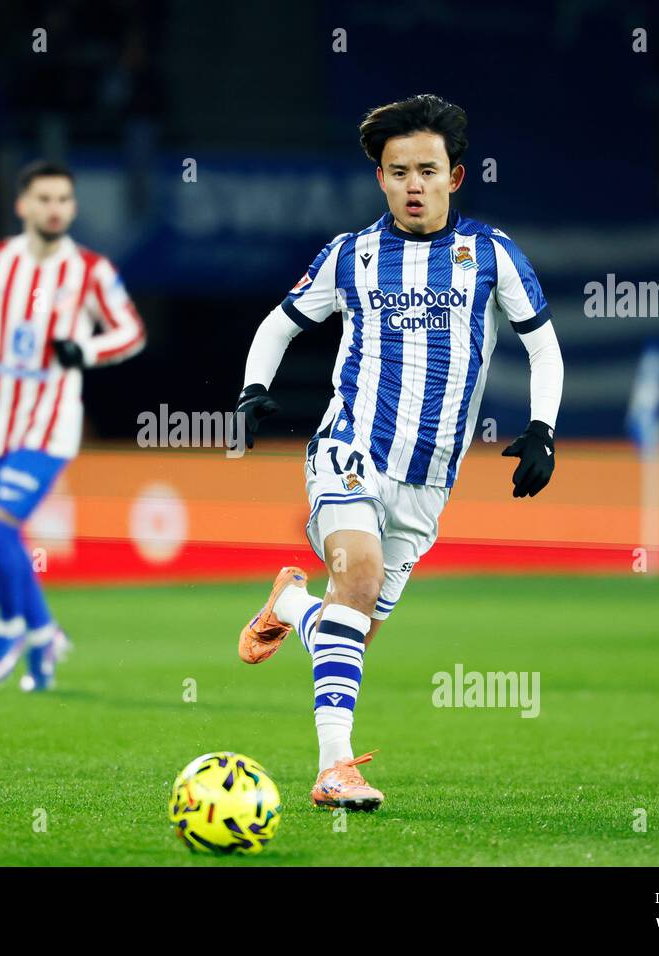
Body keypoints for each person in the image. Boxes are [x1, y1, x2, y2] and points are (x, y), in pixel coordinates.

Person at [234, 95, 564, 811]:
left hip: (428, 485)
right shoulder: (351, 254)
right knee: (357, 582)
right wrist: (253, 389)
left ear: (456, 176)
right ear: (380, 179)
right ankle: (333, 770)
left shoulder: (492, 254)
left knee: (349, 631)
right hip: (350, 451)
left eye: (427, 170)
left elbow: (543, 346)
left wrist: (542, 429)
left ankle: (292, 604)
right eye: (397, 171)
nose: (413, 184)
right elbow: (279, 323)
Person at [0, 161, 145, 691]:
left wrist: (86, 350)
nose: (55, 209)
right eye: (44, 199)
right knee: (0, 535)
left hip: (50, 425)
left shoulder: (90, 270)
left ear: (72, 208)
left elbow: (131, 333)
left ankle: (11, 628)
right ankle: (45, 636)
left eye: (64, 200)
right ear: (22, 205)